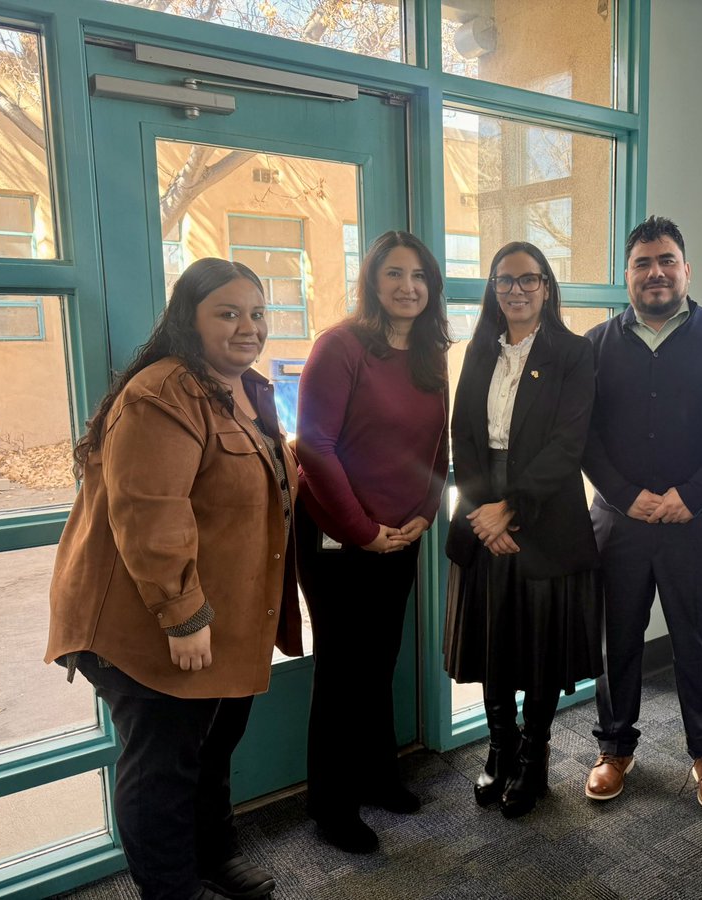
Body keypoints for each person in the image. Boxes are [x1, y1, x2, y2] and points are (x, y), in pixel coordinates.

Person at [45, 258, 301, 900]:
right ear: (188, 318)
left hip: (227, 621)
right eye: (228, 312)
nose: (249, 327)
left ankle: (212, 862)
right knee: (161, 767)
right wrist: (183, 616)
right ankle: (172, 891)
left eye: (258, 312)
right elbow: (151, 513)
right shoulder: (162, 393)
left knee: (209, 754)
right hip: (152, 624)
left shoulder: (243, 388)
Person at [582, 216, 702, 814]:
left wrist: (694, 492)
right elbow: (586, 436)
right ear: (626, 276)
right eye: (642, 264)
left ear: (686, 269)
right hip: (618, 522)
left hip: (698, 522)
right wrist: (626, 495)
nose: (655, 272)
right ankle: (614, 747)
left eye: (667, 261)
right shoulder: (596, 345)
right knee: (616, 641)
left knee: (701, 642)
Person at [294, 230, 450, 853]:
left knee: (379, 664)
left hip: (402, 535)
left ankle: (379, 777)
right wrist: (363, 530)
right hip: (339, 539)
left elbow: (436, 446)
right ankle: (330, 805)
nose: (407, 286)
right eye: (393, 273)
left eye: (418, 275)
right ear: (372, 281)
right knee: (342, 672)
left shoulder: (429, 354)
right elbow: (314, 447)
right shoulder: (341, 346)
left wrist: (427, 510)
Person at [443, 241, 603, 820]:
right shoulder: (477, 350)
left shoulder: (573, 352)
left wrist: (510, 510)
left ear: (546, 286)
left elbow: (569, 444)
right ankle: (500, 747)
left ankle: (534, 757)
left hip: (544, 513)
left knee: (536, 645)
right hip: (484, 510)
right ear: (492, 287)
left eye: (528, 280)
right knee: (493, 638)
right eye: (505, 280)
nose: (516, 290)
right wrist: (484, 514)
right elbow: (464, 435)